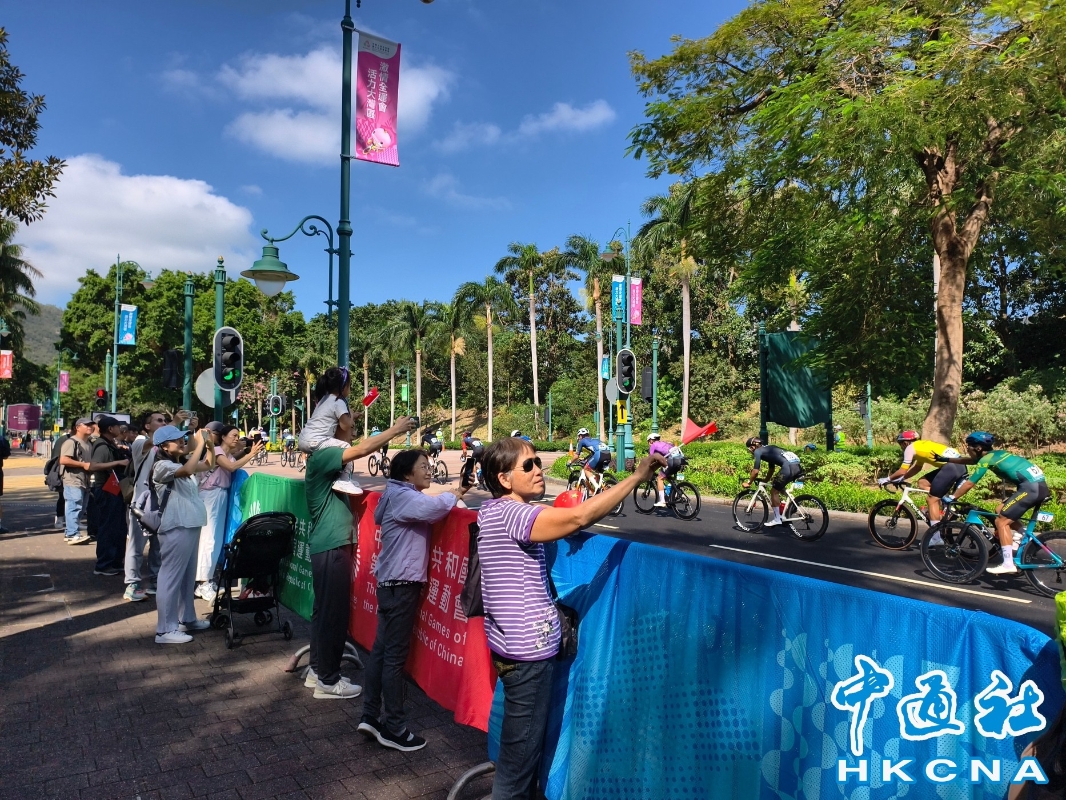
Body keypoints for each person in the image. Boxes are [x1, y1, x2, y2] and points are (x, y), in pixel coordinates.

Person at [477, 437, 666, 798]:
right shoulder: (514, 514)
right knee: (518, 765)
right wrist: (638, 475)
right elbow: (579, 516)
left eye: (538, 462)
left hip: (512, 649)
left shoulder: (492, 510)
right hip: (528, 656)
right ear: (504, 479)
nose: (539, 470)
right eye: (528, 466)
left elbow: (563, 520)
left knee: (520, 753)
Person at [357, 448, 470, 751]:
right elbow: (434, 509)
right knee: (393, 658)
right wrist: (455, 492)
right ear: (407, 474)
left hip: (391, 585)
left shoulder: (393, 494)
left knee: (381, 653)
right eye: (423, 466)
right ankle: (394, 728)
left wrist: (455, 491)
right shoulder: (405, 497)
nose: (429, 469)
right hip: (401, 586)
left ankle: (370, 715)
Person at [304, 414, 417, 699]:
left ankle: (317, 670)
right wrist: (396, 429)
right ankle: (328, 682)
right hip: (331, 546)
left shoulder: (327, 461)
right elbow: (363, 449)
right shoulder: (324, 455)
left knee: (324, 612)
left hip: (328, 545)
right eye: (351, 425)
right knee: (333, 615)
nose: (355, 430)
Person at [937, 432, 1050, 575]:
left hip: (1030, 489)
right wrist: (947, 459)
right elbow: (972, 461)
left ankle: (1008, 564)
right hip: (1038, 486)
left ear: (977, 448)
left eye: (969, 447)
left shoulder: (986, 459)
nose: (967, 450)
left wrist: (952, 496)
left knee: (1001, 522)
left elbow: (970, 483)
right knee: (1000, 509)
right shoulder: (996, 454)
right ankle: (1028, 538)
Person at [152, 425, 214, 644]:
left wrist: (209, 445)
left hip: (190, 524)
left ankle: (186, 618)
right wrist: (198, 444)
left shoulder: (178, 463)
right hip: (176, 526)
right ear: (163, 446)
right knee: (170, 577)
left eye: (182, 438)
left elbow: (208, 464)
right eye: (176, 440)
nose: (181, 442)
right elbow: (188, 469)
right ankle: (165, 629)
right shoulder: (161, 466)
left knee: (187, 577)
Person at [195, 423, 264, 603]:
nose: (236, 438)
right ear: (223, 437)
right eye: (233, 435)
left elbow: (233, 460)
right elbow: (231, 467)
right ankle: (203, 582)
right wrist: (251, 454)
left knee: (215, 539)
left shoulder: (226, 453)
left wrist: (247, 451)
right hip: (211, 496)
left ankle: (206, 579)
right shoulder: (217, 451)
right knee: (209, 538)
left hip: (218, 496)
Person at [878, 430, 967, 542]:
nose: (901, 447)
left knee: (931, 499)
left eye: (900, 444)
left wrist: (887, 479)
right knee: (923, 482)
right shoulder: (920, 445)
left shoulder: (910, 449)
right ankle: (943, 502)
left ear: (905, 442)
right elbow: (917, 468)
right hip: (959, 465)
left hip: (951, 467)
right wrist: (902, 479)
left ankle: (936, 538)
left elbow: (902, 470)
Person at [123, 411, 173, 602]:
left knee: (157, 546)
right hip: (141, 503)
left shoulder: (165, 447)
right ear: (147, 426)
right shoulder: (140, 443)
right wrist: (173, 423)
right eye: (159, 421)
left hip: (160, 503)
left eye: (165, 421)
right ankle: (132, 584)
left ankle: (154, 581)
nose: (163, 423)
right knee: (136, 545)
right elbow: (151, 443)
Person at [299, 366, 362, 495]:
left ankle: (341, 478)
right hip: (317, 440)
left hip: (304, 439)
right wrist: (351, 417)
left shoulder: (325, 399)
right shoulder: (339, 402)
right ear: (343, 386)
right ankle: (343, 480)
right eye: (349, 385)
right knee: (346, 447)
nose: (349, 389)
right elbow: (345, 425)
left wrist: (351, 415)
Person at [88, 416, 132, 576]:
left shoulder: (110, 444)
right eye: (117, 426)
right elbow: (94, 466)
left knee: (118, 527)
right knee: (108, 527)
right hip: (107, 489)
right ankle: (104, 564)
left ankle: (114, 561)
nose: (120, 429)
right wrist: (117, 463)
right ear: (110, 429)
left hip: (114, 489)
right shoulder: (102, 446)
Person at [743, 436, 803, 527]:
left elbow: (755, 471)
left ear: (753, 446)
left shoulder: (758, 451)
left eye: (750, 449)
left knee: (774, 491)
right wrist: (765, 481)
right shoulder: (769, 449)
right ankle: (793, 505)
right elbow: (771, 469)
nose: (750, 451)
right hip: (797, 466)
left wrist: (749, 482)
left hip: (788, 467)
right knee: (779, 488)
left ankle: (777, 519)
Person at [59, 419, 94, 545]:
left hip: (84, 480)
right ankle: (72, 534)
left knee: (81, 507)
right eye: (87, 425)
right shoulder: (71, 442)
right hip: (72, 479)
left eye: (91, 424)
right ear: (78, 427)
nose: (90, 427)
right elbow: (63, 460)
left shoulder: (88, 443)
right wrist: (83, 464)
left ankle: (71, 532)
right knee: (74, 505)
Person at [647, 432, 683, 508]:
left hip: (671, 461)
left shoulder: (653, 445)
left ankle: (662, 501)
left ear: (651, 441)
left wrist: (647, 467)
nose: (649, 444)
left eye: (648, 442)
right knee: (666, 475)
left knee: (659, 478)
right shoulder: (666, 443)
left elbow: (650, 459)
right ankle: (675, 491)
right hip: (680, 461)